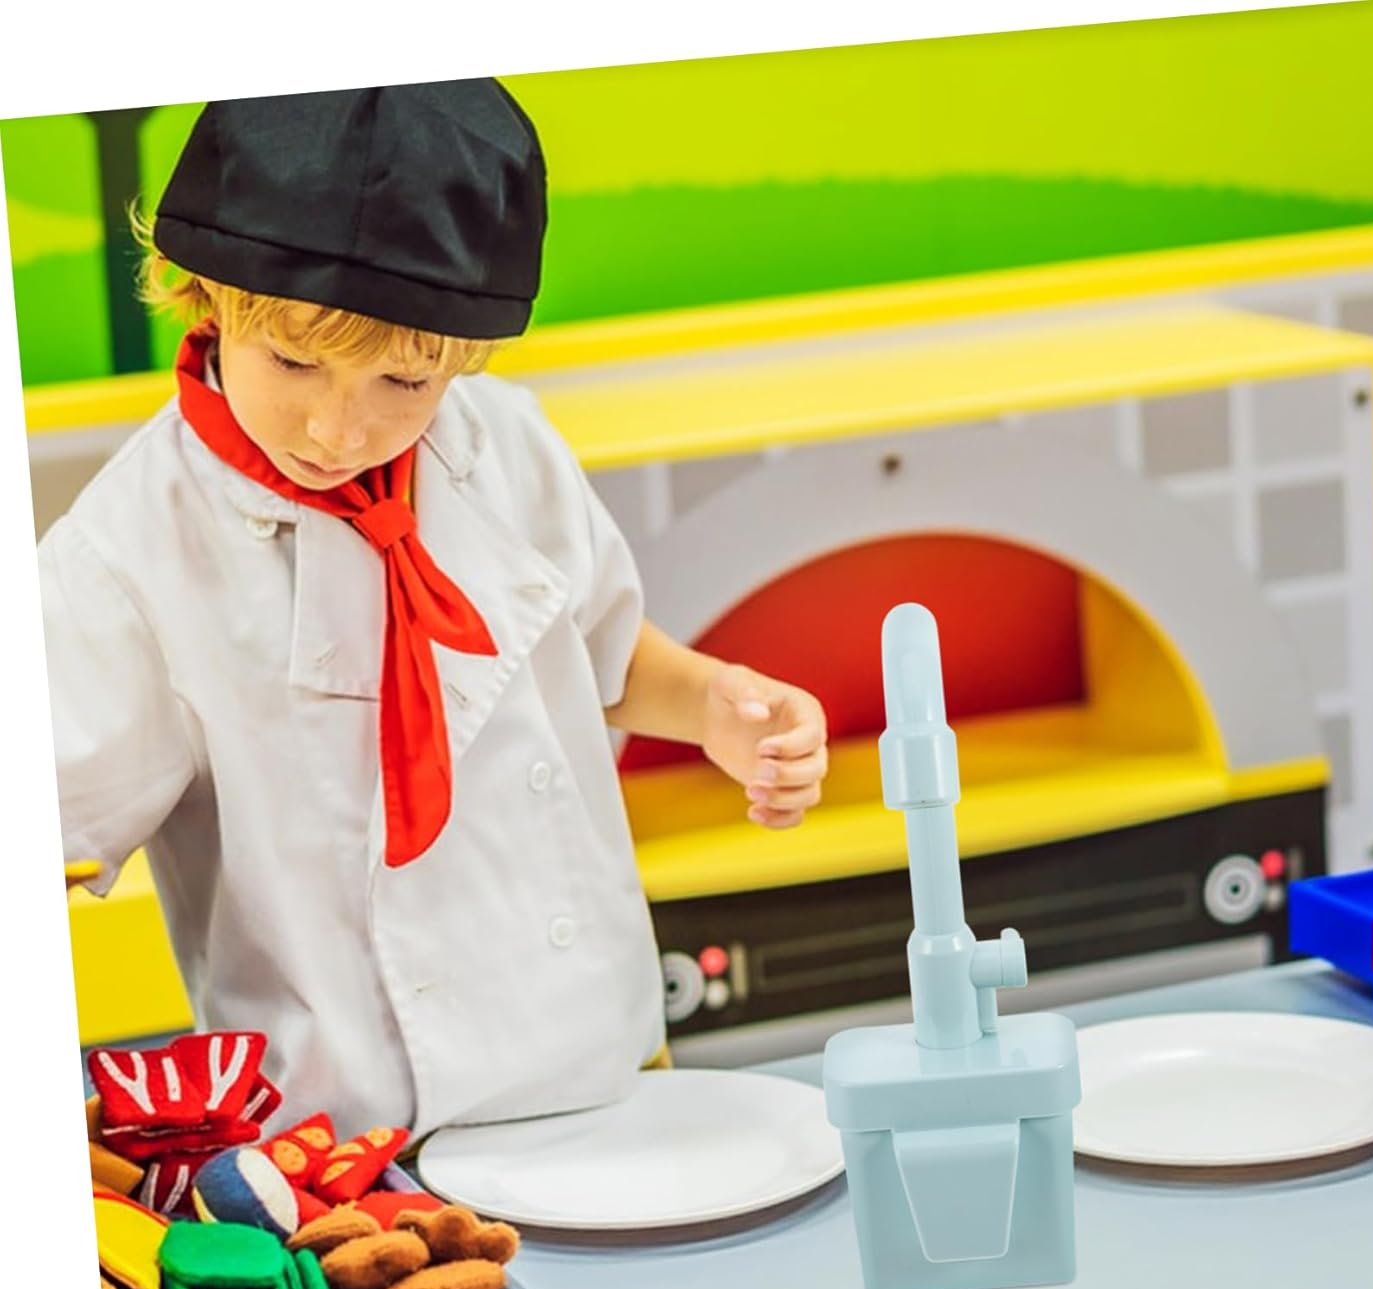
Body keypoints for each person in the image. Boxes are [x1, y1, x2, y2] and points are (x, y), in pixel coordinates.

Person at [43, 78, 828, 1140]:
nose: (339, 430)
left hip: (607, 1065)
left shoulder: (508, 442)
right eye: (295, 363)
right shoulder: (125, 558)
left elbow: (599, 655)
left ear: (462, 355)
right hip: (353, 1145)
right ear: (206, 296)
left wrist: (714, 704)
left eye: (403, 385)